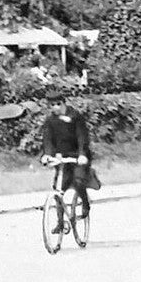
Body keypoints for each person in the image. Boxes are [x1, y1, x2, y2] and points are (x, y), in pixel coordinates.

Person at [40, 93, 92, 234]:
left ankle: (85, 203)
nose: (55, 108)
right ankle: (60, 222)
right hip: (62, 156)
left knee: (78, 180)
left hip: (78, 156)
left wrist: (82, 154)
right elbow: (48, 139)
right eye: (52, 105)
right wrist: (47, 154)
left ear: (64, 103)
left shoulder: (75, 116)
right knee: (58, 189)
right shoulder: (50, 120)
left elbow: (82, 136)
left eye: (58, 104)